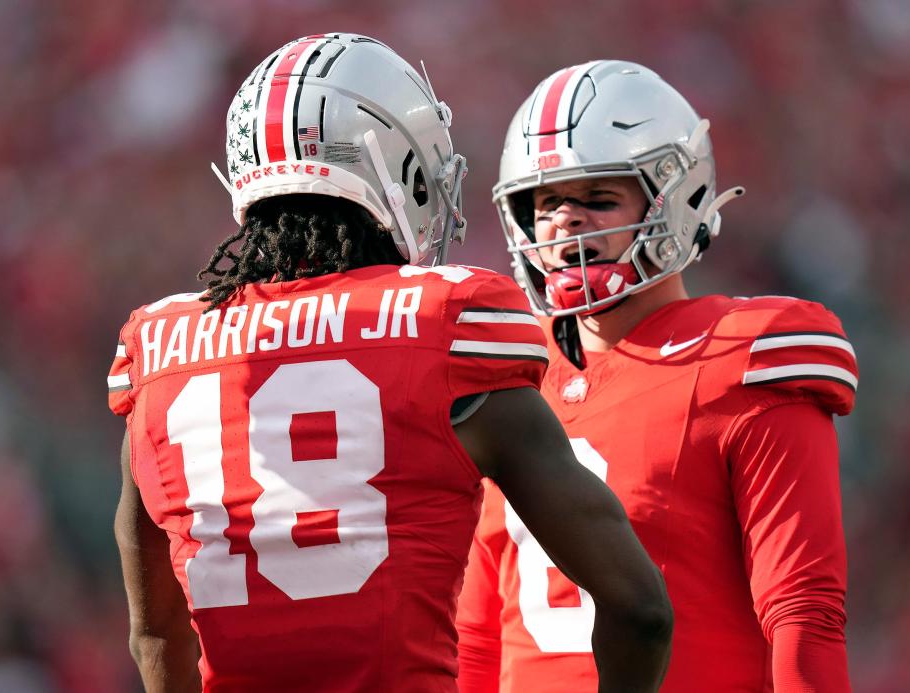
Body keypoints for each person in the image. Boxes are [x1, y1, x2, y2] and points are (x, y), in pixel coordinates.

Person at [107, 36, 672, 693]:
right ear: (394, 165)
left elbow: (153, 635)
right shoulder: (448, 325)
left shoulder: (158, 352)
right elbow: (640, 608)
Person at [456, 60, 858, 692]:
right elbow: (477, 638)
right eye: (545, 203)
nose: (566, 222)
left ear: (677, 197)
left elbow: (802, 611)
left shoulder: (739, 356)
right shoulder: (504, 378)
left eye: (597, 199)